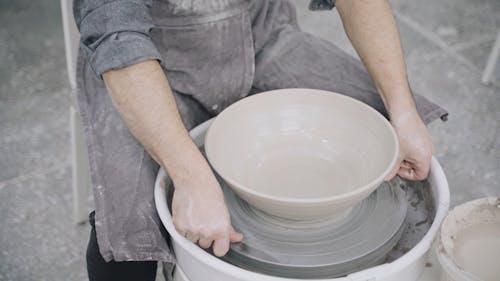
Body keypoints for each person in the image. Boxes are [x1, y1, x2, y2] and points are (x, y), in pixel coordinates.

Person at [73, 0, 448, 280]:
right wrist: (191, 178)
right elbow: (117, 38)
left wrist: (402, 111)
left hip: (262, 37)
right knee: (127, 234)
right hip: (148, 62)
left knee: (381, 126)